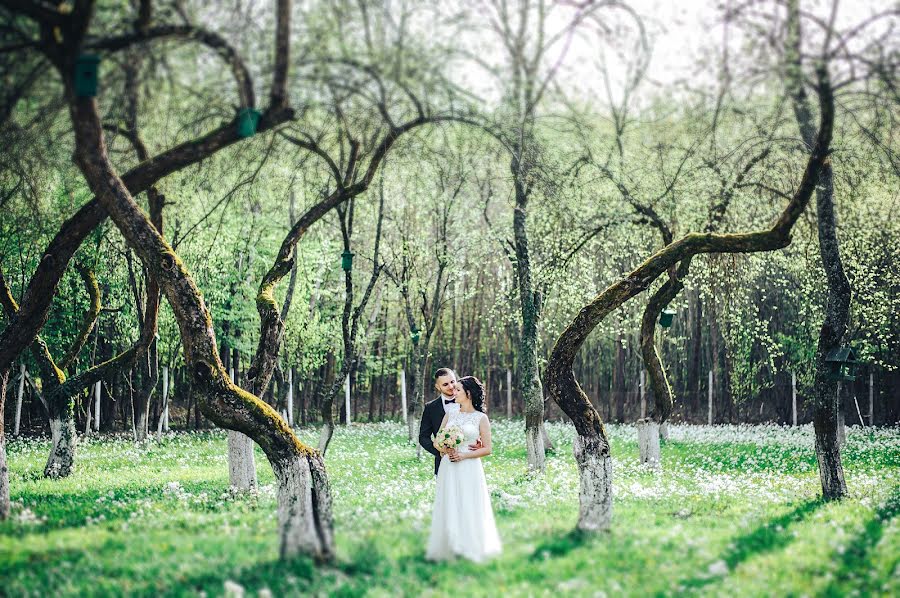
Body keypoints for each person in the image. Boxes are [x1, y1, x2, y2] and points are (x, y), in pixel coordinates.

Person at [425, 376, 502, 563]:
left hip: (469, 466)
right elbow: (437, 441)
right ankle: (450, 544)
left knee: (468, 502)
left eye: (458, 390)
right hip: (448, 466)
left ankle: (469, 544)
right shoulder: (450, 414)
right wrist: (445, 448)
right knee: (449, 501)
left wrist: (464, 455)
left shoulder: (480, 418)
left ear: (468, 393)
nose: (454, 392)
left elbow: (488, 448)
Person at [419, 368, 481, 475]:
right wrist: (441, 451)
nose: (451, 387)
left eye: (452, 382)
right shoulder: (431, 408)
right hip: (443, 462)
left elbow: (478, 425)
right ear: (438, 387)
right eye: (445, 384)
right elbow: (423, 437)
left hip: (468, 461)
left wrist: (478, 440)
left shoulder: (470, 402)